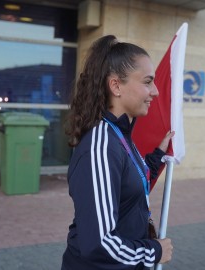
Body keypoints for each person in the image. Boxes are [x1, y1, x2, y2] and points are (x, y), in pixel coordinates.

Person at [62, 35, 174, 270]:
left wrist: (157, 157)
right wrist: (154, 252)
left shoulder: (120, 135)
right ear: (115, 86)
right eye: (147, 81)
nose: (155, 91)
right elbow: (100, 245)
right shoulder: (101, 146)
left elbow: (128, 188)